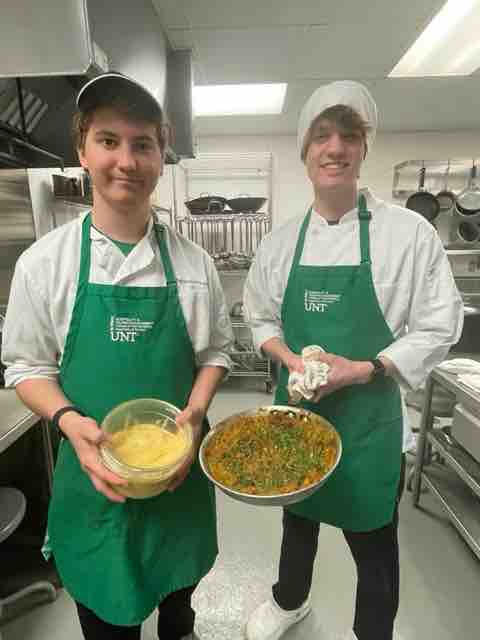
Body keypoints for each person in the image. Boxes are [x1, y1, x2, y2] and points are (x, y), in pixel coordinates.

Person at [1, 72, 234, 640]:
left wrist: (197, 412)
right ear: (82, 149)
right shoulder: (45, 264)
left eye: (142, 143)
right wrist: (69, 420)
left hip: (178, 481)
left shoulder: (193, 265)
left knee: (179, 616)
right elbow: (28, 368)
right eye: (108, 140)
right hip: (94, 478)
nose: (125, 160)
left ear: (162, 153)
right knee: (107, 624)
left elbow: (215, 352)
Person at [243, 81, 463, 640]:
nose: (335, 147)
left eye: (349, 135)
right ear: (306, 151)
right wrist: (290, 358)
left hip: (368, 423)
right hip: (298, 414)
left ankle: (373, 633)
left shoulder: (407, 234)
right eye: (322, 136)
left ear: (364, 148)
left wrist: (366, 368)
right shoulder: (281, 241)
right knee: (299, 518)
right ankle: (288, 602)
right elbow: (260, 318)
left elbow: (441, 324)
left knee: (374, 539)